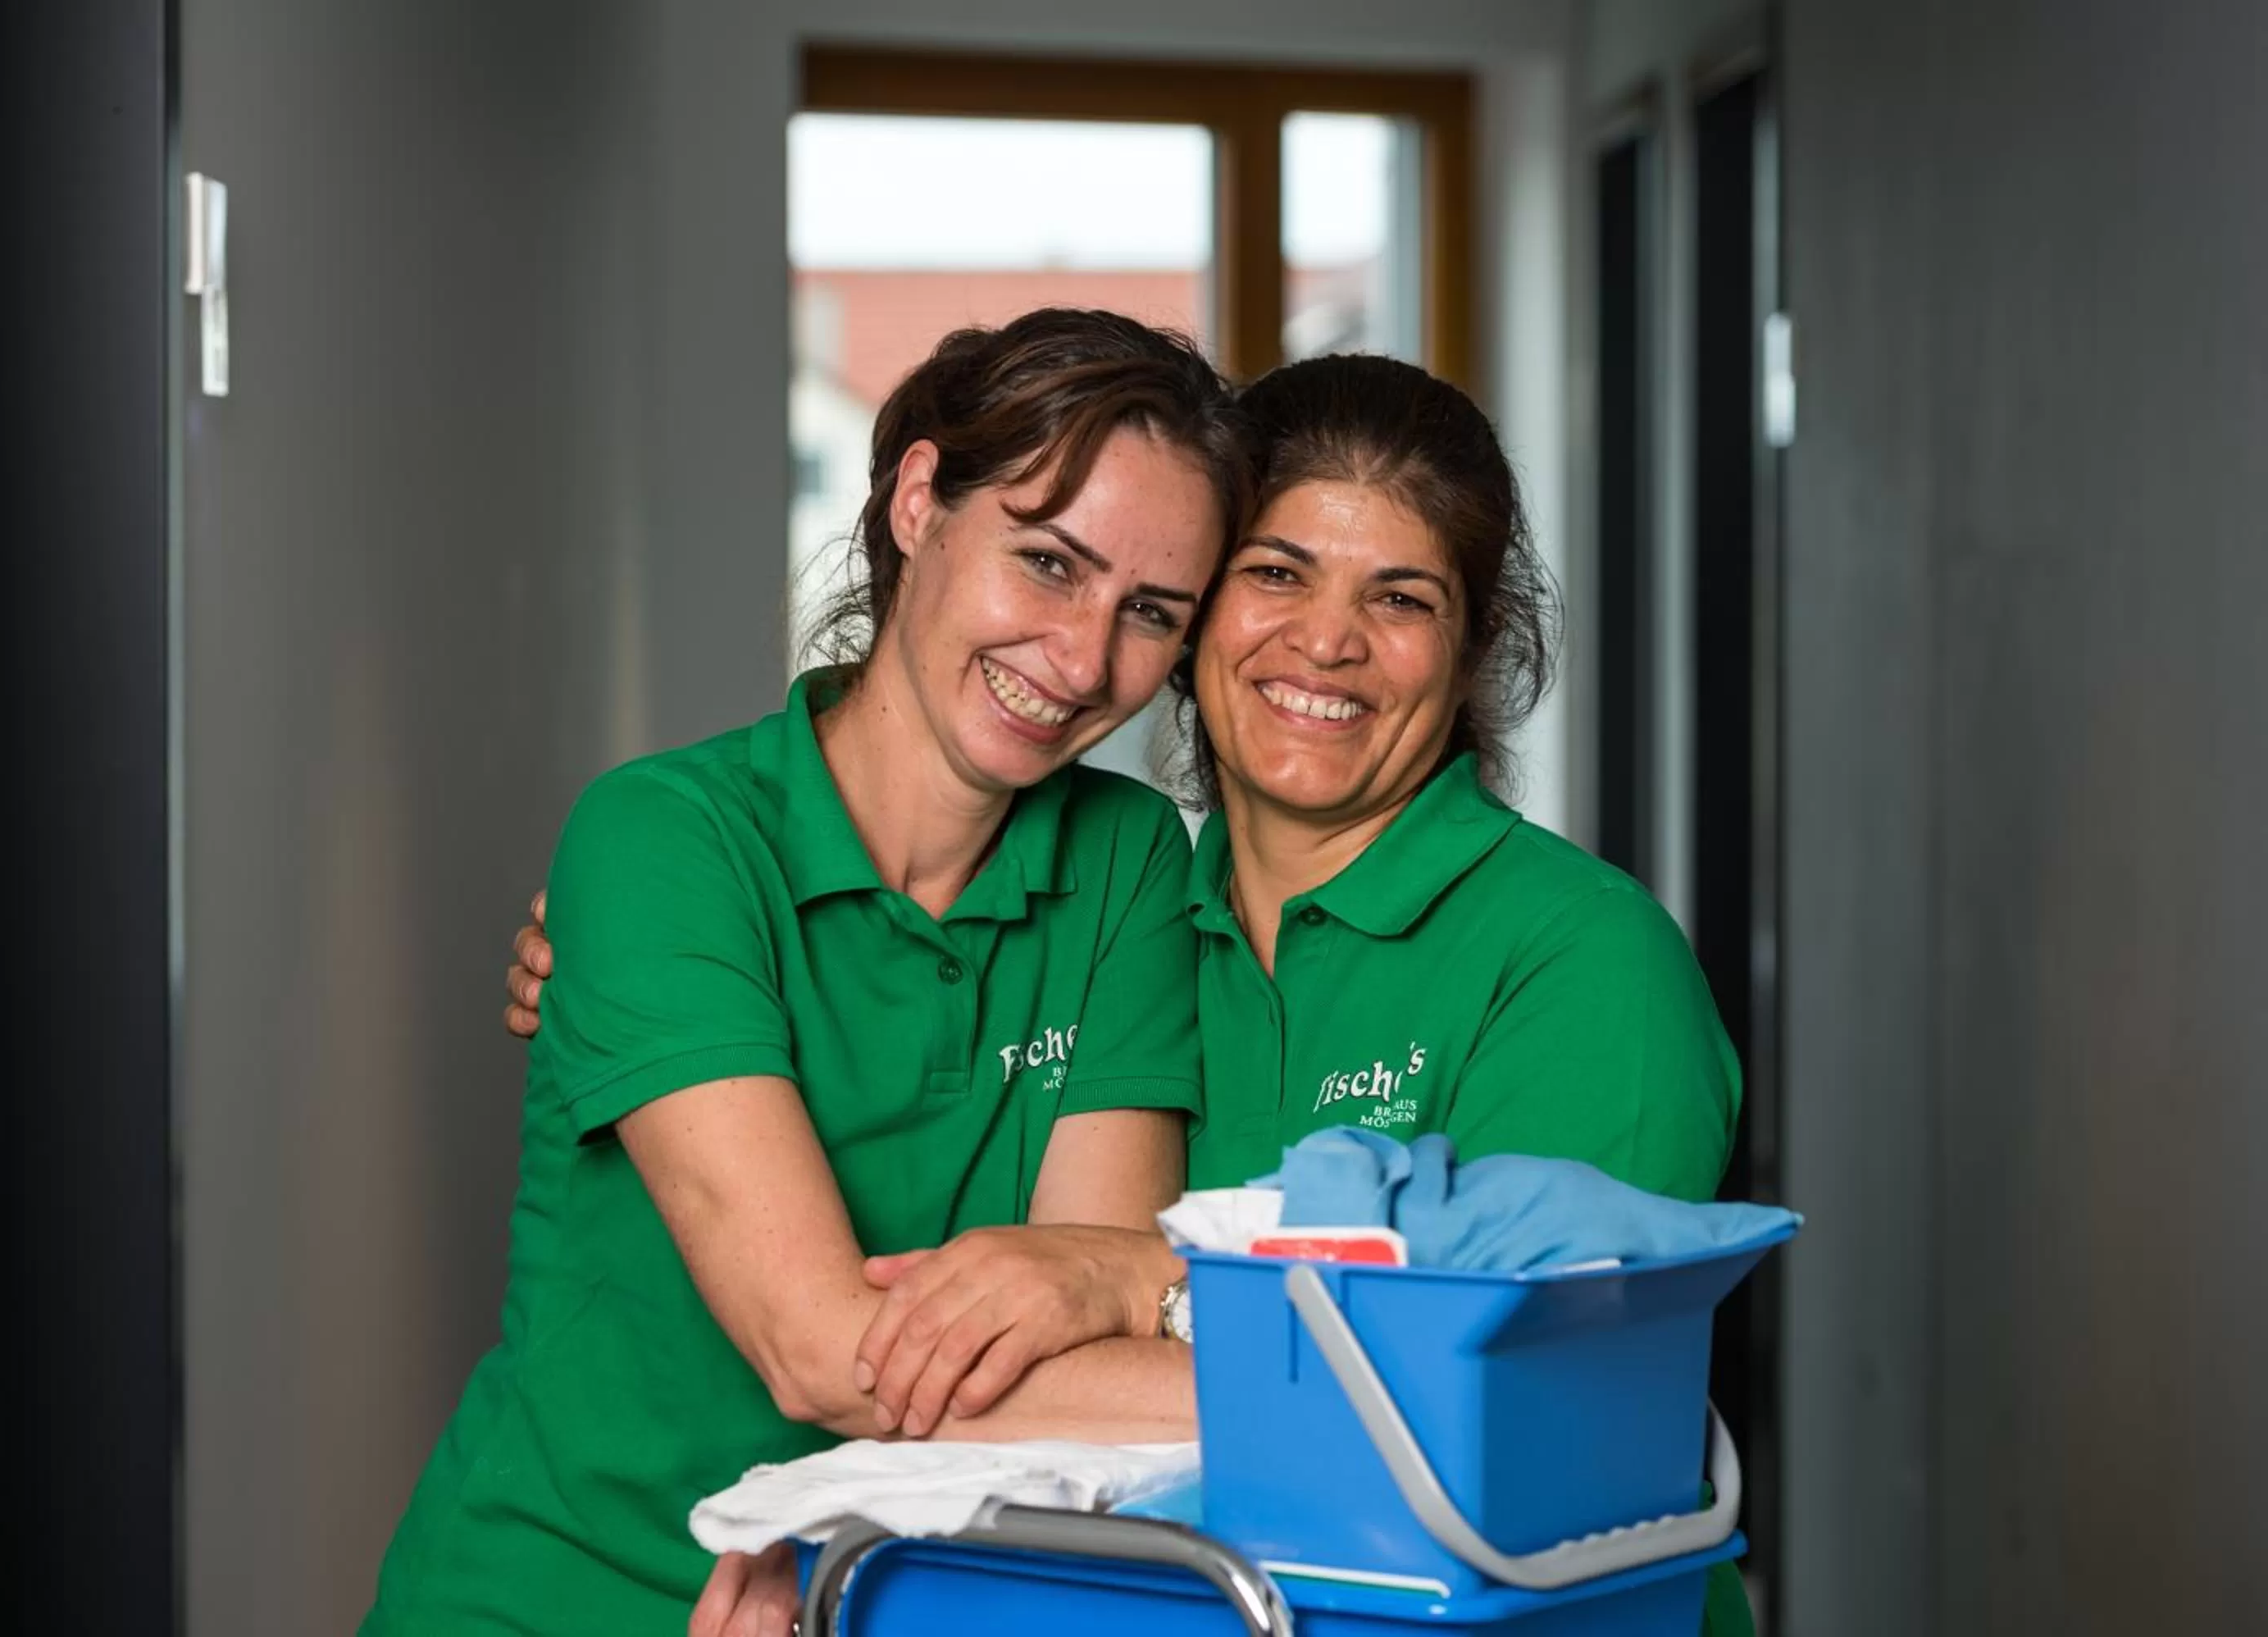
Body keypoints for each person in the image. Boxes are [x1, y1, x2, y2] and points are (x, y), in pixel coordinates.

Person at [506, 353, 1750, 1637]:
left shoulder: (1585, 963)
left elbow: (1530, 1420)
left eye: (1403, 598)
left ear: (1474, 645)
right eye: (1274, 574)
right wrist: (614, 935)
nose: (1327, 640)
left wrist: (1127, 1284)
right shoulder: (1134, 903)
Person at [362, 308, 1255, 1636]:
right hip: (563, 1596)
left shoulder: (1129, 863)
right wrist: (1349, 1402)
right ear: (915, 503)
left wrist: (1126, 1293)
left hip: (886, 1597)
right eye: (1049, 563)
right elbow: (828, 1357)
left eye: (1151, 614)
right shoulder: (662, 838)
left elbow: (1096, 1324)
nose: (1081, 662)